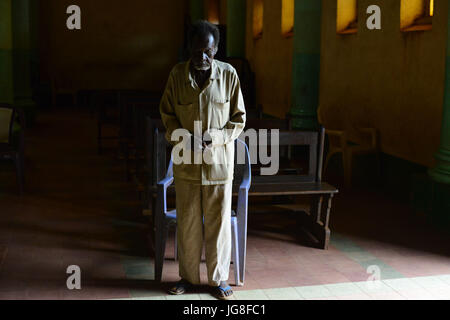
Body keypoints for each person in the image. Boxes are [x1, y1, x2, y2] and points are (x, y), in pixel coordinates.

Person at [159, 20, 246, 300]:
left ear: (216, 49)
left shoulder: (229, 75)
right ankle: (187, 277)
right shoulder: (176, 76)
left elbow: (239, 119)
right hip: (186, 164)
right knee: (188, 222)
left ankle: (218, 280)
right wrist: (183, 135)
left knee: (219, 223)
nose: (202, 58)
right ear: (189, 50)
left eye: (208, 51)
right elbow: (167, 115)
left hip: (220, 164)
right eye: (197, 51)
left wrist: (217, 137)